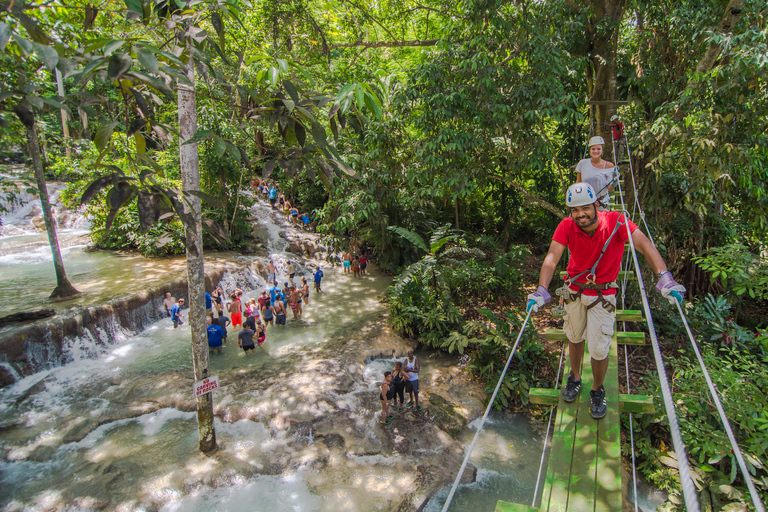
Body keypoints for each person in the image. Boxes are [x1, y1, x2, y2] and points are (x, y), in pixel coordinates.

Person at [527, 183, 686, 420]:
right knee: (573, 336)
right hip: (574, 291)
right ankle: (575, 377)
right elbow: (552, 257)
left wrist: (664, 277)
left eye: (585, 209)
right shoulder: (567, 226)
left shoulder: (617, 222)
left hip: (603, 295)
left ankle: (597, 389)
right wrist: (541, 289)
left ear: (597, 205)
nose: (580, 215)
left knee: (599, 348)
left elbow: (643, 244)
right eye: (574, 210)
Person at [576, 136, 616, 210]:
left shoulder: (609, 166)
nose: (596, 151)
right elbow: (578, 183)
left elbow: (610, 188)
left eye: (598, 149)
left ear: (602, 150)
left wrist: (615, 181)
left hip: (601, 204)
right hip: (586, 203)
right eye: (593, 149)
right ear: (590, 150)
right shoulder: (582, 163)